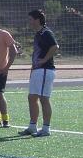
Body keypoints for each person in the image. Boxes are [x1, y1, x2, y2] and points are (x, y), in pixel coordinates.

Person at [19, 9, 59, 137]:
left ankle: (46, 128)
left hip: (45, 70)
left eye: (31, 19)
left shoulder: (46, 32)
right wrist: (33, 69)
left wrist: (44, 60)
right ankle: (32, 127)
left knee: (44, 99)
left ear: (37, 20)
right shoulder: (38, 34)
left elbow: (55, 47)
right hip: (38, 71)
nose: (29, 22)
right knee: (32, 97)